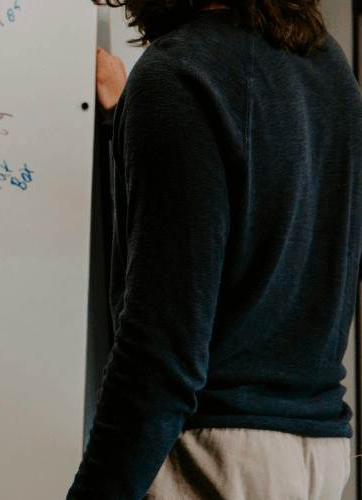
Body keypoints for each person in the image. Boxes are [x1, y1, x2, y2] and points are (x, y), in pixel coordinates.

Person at [69, 0, 362, 498]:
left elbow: (160, 353)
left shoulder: (178, 75)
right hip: (318, 453)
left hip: (217, 460)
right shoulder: (329, 67)